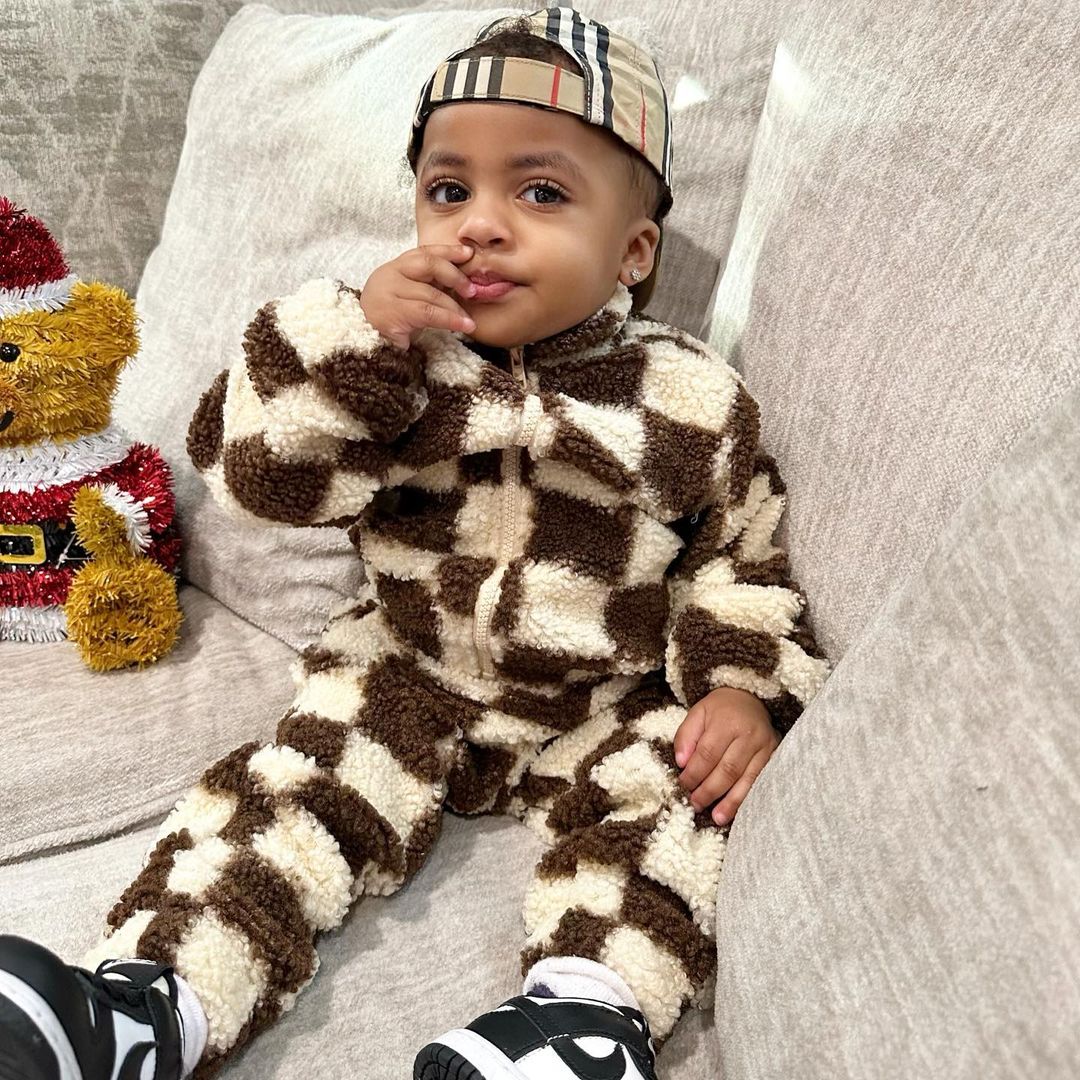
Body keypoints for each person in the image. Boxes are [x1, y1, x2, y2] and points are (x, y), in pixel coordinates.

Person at [0, 8, 832, 1080]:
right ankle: (142, 1008)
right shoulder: (394, 359)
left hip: (598, 697)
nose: (479, 225)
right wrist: (357, 339)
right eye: (448, 190)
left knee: (680, 807)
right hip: (407, 671)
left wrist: (739, 687)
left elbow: (738, 557)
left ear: (633, 253)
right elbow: (254, 471)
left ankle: (585, 1019)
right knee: (289, 799)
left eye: (540, 192)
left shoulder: (690, 400)